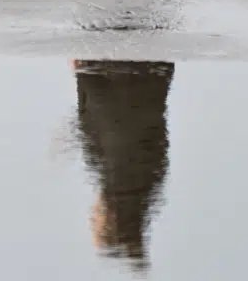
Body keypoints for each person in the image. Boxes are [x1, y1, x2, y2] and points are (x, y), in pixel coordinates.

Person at [73, 59, 174, 269]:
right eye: (95, 221)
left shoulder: (150, 183)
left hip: (153, 68)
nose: (92, 215)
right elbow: (108, 117)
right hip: (118, 66)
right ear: (110, 219)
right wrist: (84, 70)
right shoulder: (120, 177)